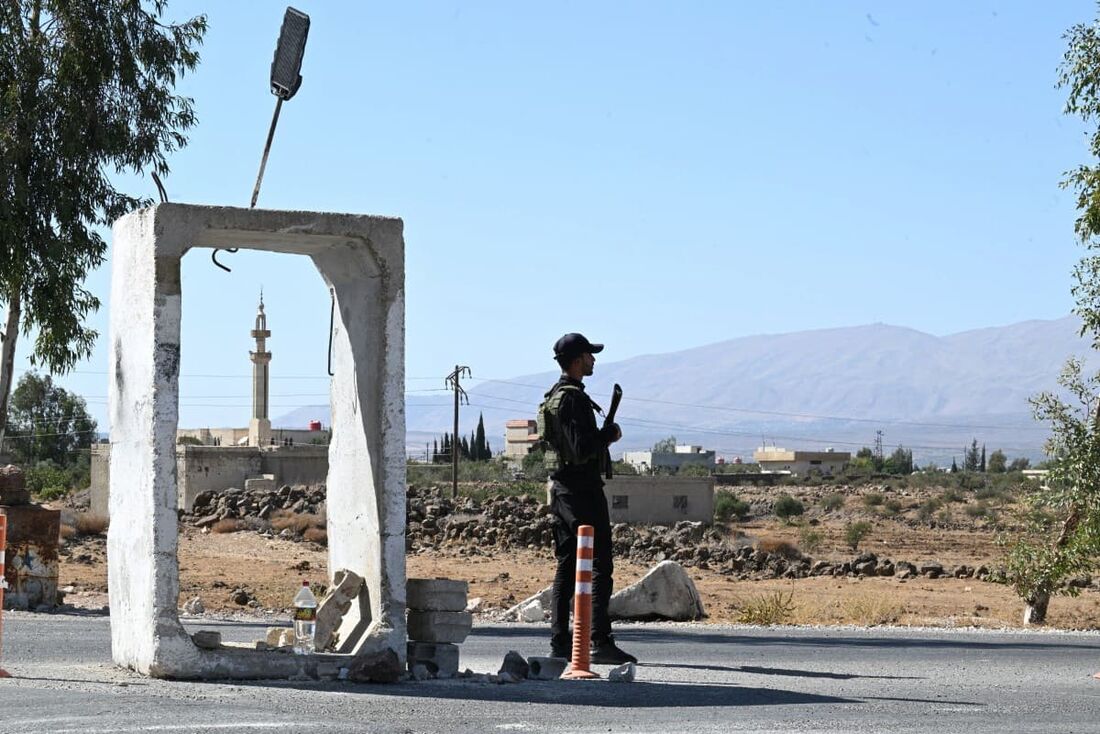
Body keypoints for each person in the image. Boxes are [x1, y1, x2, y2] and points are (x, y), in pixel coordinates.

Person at [540, 332, 637, 665]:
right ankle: (598, 639)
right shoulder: (572, 399)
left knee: (568, 565)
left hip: (564, 490)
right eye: (589, 355)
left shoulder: (556, 396)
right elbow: (582, 449)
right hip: (581, 492)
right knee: (598, 567)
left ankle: (561, 641)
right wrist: (608, 436)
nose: (594, 360)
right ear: (578, 359)